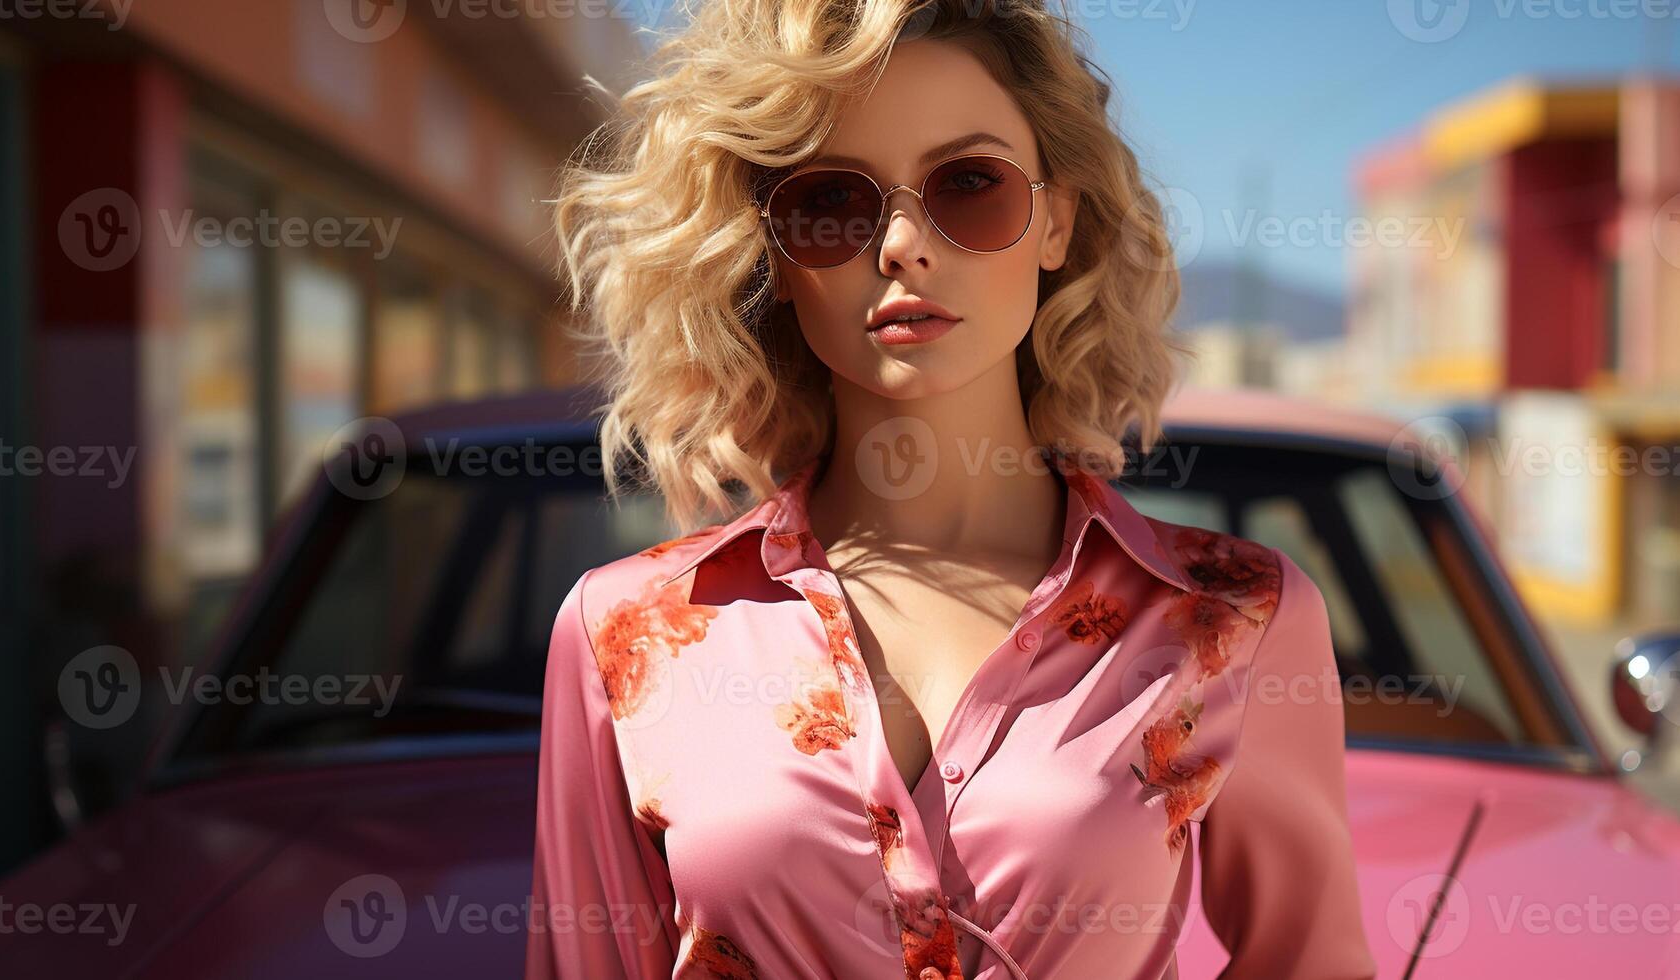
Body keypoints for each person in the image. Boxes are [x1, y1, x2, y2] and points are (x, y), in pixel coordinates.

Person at [528, 0, 1376, 975]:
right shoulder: (621, 631)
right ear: (772, 249)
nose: (897, 244)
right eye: (830, 203)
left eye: (968, 184)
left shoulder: (1233, 617)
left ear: (1054, 220)